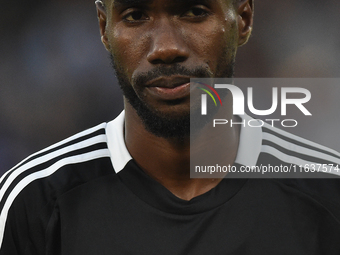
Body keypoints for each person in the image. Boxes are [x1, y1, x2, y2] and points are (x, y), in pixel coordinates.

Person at [0, 0, 340, 254]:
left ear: (244, 19)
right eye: (135, 15)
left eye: (194, 11)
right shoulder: (34, 201)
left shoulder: (326, 193)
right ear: (103, 28)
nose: (166, 48)